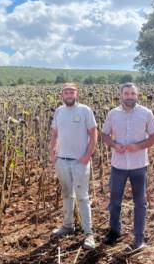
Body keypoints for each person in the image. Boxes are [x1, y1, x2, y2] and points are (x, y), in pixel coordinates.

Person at [102, 82, 154, 252]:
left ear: (137, 95)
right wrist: (113, 144)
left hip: (139, 165)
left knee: (140, 203)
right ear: (121, 95)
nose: (129, 97)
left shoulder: (146, 113)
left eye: (132, 94)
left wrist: (139, 146)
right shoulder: (112, 114)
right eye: (126, 93)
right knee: (114, 201)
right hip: (118, 165)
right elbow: (105, 134)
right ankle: (114, 232)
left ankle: (139, 238)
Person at [49, 82, 98, 250]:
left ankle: (88, 233)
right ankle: (67, 226)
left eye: (71, 92)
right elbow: (54, 134)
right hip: (62, 160)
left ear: (76, 94)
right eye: (66, 92)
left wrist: (87, 156)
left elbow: (93, 134)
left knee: (82, 196)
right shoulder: (59, 111)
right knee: (66, 194)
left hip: (79, 161)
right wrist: (53, 153)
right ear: (62, 95)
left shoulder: (85, 110)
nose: (69, 95)